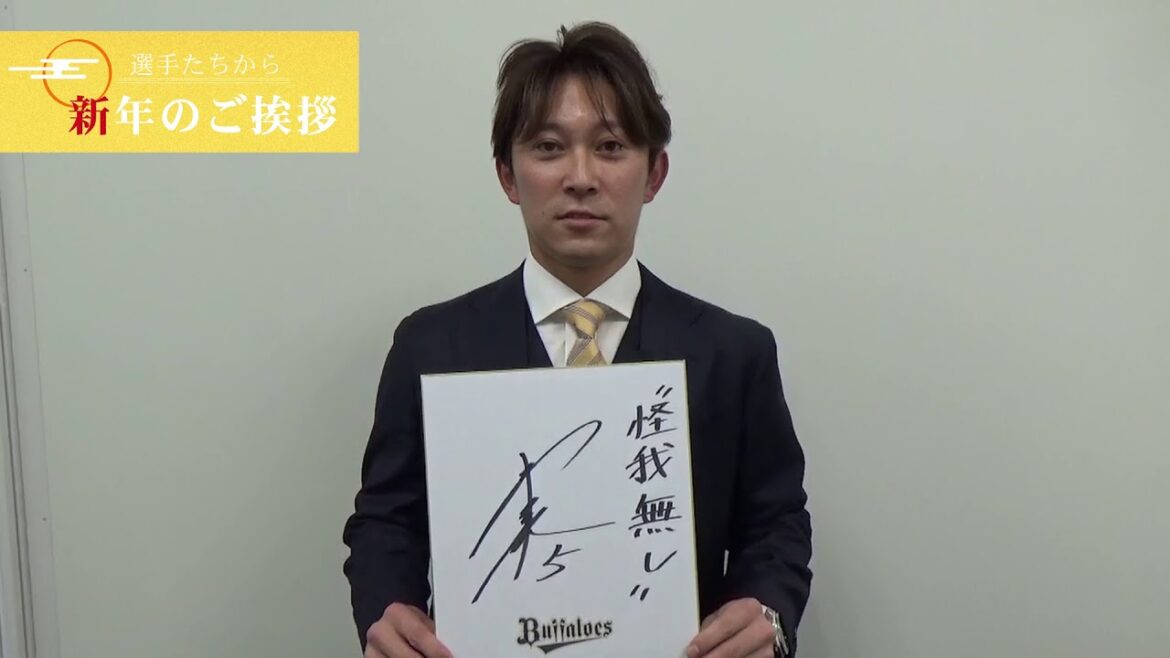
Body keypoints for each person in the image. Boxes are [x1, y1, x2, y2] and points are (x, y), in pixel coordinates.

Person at [342, 21, 812, 658]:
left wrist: (767, 613)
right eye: (549, 147)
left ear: (654, 173)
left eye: (611, 146)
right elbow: (385, 522)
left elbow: (776, 523)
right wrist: (387, 612)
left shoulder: (734, 354)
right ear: (508, 175)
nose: (581, 177)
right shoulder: (431, 346)